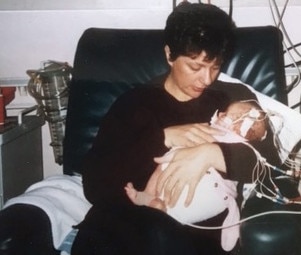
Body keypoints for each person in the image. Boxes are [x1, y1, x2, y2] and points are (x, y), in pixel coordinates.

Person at [71, 3, 286, 255]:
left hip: (189, 233)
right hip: (126, 224)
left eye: (215, 66)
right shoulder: (135, 102)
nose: (206, 79)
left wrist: (210, 153)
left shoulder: (232, 100)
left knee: (159, 235)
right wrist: (163, 138)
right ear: (169, 55)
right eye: (195, 67)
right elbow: (96, 184)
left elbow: (271, 164)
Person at [124, 100, 269, 251]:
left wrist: (212, 151)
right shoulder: (144, 99)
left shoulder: (239, 141)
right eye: (225, 113)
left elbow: (261, 159)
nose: (221, 115)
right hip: (175, 164)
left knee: (190, 203)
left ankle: (165, 213)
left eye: (228, 115)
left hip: (213, 188)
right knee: (164, 163)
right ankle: (148, 196)